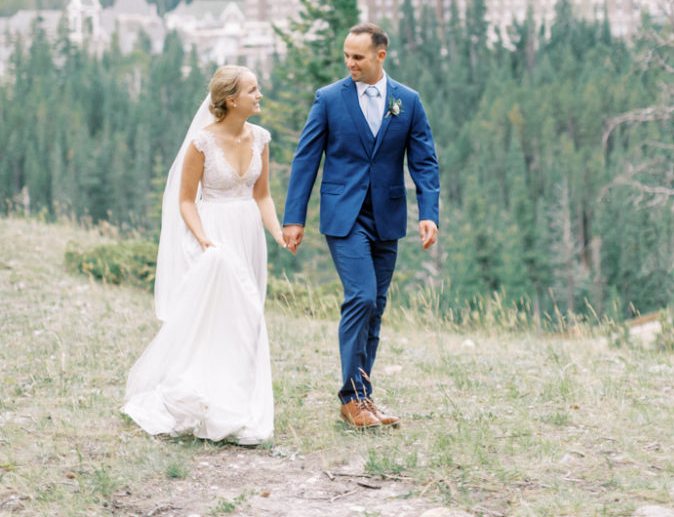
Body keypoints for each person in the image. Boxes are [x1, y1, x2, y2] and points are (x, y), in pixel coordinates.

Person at [282, 23, 439, 429]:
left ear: (380, 56)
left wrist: (428, 212)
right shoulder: (329, 99)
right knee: (362, 297)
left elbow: (423, 161)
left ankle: (364, 397)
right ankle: (351, 398)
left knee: (377, 307)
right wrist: (294, 218)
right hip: (343, 216)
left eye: (358, 57)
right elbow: (306, 159)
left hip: (387, 216)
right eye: (347, 56)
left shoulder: (408, 101)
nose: (350, 63)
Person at [122, 65, 288, 444]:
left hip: (248, 234)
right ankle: (210, 400)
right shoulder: (202, 143)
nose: (259, 95)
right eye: (253, 89)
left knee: (250, 314)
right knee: (230, 313)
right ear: (231, 99)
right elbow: (185, 200)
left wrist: (277, 233)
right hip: (213, 235)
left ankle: (239, 398)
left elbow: (261, 195)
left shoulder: (261, 138)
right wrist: (203, 240)